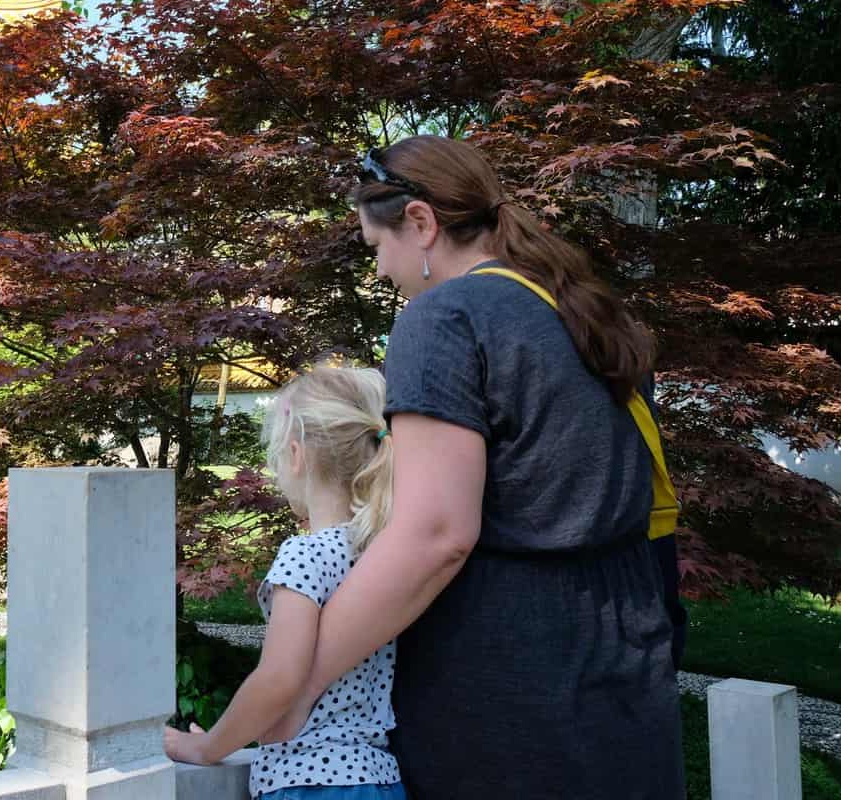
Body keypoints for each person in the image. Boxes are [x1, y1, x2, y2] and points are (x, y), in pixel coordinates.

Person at [270, 135, 682, 798]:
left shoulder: (445, 316)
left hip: (507, 695)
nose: (378, 273)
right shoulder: (584, 313)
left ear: (421, 223)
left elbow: (435, 536)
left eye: (376, 248)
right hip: (623, 676)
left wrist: (297, 685)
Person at [164, 364, 406, 800]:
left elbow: (279, 678)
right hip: (380, 779)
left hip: (306, 783)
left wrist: (205, 745)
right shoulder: (383, 555)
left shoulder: (305, 553)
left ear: (296, 455)